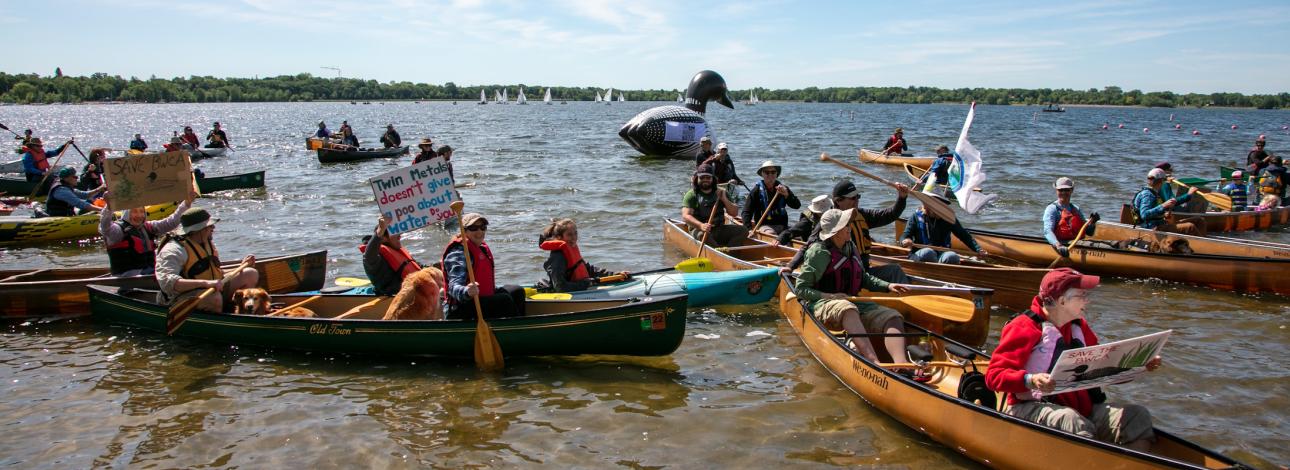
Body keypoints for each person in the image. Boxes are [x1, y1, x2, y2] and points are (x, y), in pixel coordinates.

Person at [985, 268, 1161, 452]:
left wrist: (1140, 364)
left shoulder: (1079, 327)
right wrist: (1031, 380)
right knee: (1071, 420)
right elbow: (993, 376)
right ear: (1062, 301)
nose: (1087, 300)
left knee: (1136, 416)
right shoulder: (1024, 327)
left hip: (1079, 411)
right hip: (1029, 409)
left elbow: (1103, 369)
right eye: (1081, 295)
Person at [793, 208, 912, 361]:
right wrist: (830, 296)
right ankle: (873, 362)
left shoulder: (851, 247)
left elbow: (863, 277)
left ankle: (901, 364)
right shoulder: (819, 252)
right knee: (847, 308)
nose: (849, 228)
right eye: (845, 226)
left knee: (892, 316)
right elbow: (801, 289)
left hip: (850, 301)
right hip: (821, 303)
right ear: (835, 232)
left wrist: (887, 286)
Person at [788, 179, 911, 284]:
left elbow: (890, 215)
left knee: (895, 270)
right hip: (844, 276)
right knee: (895, 272)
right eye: (853, 197)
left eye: (858, 196)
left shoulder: (861, 215)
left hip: (863, 271)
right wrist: (790, 266)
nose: (857, 200)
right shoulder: (829, 221)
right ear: (838, 201)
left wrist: (902, 197)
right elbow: (808, 246)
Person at [154, 207, 260, 312]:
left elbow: (214, 272)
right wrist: (206, 283)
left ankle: (239, 311)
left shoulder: (205, 241)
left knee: (250, 274)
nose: (213, 227)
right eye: (209, 226)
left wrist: (241, 267)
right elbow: (168, 284)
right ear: (199, 229)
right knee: (215, 298)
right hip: (178, 299)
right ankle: (220, 322)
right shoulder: (174, 250)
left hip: (211, 289)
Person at [442, 213, 525, 319]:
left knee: (517, 291)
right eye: (473, 228)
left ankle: (512, 326)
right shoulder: (458, 253)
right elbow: (453, 288)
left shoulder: (480, 247)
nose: (479, 231)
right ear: (464, 231)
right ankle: (514, 331)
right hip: (459, 308)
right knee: (504, 300)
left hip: (479, 300)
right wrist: (466, 291)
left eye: (483, 227)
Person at [100, 187, 194, 276]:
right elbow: (105, 227)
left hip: (147, 272)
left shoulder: (148, 227)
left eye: (141, 211)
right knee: (164, 272)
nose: (139, 215)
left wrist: (186, 203)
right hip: (126, 276)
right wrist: (109, 206)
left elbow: (171, 222)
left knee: (180, 267)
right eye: (134, 212)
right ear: (126, 213)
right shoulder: (118, 231)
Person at [538, 218, 628, 292]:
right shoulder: (557, 257)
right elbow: (560, 287)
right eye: (569, 234)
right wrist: (585, 284)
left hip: (580, 288)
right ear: (559, 238)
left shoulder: (571, 250)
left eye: (575, 233)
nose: (574, 237)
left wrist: (615, 275)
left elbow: (589, 270)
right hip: (567, 295)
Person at [899, 191, 987, 264]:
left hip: (941, 254)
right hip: (919, 254)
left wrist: (978, 249)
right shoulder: (916, 217)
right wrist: (905, 241)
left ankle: (943, 274)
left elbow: (963, 235)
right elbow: (905, 235)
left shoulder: (948, 218)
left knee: (952, 256)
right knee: (928, 252)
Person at [681, 164, 748, 248]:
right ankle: (718, 252)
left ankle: (730, 252)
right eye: (702, 177)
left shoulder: (721, 192)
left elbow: (734, 213)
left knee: (743, 230)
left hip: (719, 229)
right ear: (697, 179)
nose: (705, 180)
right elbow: (686, 216)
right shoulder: (692, 195)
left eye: (708, 178)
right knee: (702, 235)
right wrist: (701, 225)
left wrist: (724, 199)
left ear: (713, 179)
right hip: (699, 230)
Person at [361, 216, 425, 296]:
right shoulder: (375, 260)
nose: (400, 235)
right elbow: (369, 256)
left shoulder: (398, 252)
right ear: (383, 238)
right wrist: (380, 230)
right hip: (393, 297)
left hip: (414, 291)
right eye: (394, 231)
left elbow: (421, 268)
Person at [1131, 168, 1203, 236]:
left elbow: (1155, 210)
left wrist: (1164, 213)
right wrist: (1164, 205)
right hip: (1153, 228)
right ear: (1161, 181)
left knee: (1199, 220)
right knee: (1190, 226)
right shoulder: (1148, 195)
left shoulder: (1155, 192)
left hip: (1161, 223)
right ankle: (1203, 246)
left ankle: (1204, 242)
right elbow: (1144, 215)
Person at [740, 160, 801, 235]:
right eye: (767, 172)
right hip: (764, 226)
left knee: (800, 233)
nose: (770, 175)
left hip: (783, 226)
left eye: (773, 172)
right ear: (762, 174)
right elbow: (746, 212)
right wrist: (748, 229)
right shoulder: (756, 191)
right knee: (771, 233)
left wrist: (787, 195)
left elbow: (797, 206)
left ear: (776, 174)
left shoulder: (783, 189)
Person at [1043, 177, 1099, 256]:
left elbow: (1089, 232)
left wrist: (1093, 222)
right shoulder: (1052, 209)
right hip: (1061, 243)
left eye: (1066, 190)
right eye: (1060, 190)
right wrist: (1058, 246)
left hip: (1077, 242)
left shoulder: (1075, 208)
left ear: (1072, 190)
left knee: (1113, 244)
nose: (1063, 192)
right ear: (1056, 191)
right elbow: (1047, 231)